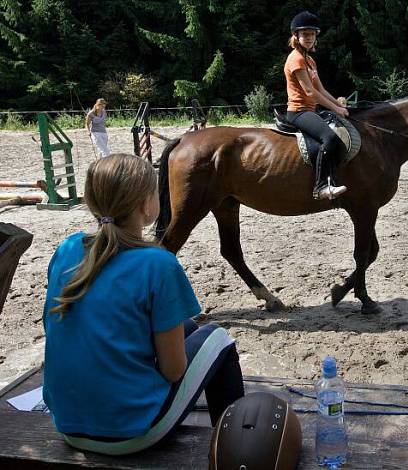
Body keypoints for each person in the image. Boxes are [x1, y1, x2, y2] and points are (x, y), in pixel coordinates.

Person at [42, 153, 244, 455]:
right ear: (146, 205)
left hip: (69, 426)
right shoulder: (158, 264)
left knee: (187, 327)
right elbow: (174, 371)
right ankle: (234, 449)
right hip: (133, 432)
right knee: (218, 338)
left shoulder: (67, 248)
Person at [284, 11, 349, 200]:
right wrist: (336, 109)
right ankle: (321, 186)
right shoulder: (295, 58)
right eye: (305, 34)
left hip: (311, 110)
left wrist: (337, 102)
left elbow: (320, 89)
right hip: (298, 112)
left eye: (312, 34)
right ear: (296, 36)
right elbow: (310, 93)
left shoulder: (310, 60)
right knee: (330, 138)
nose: (309, 38)